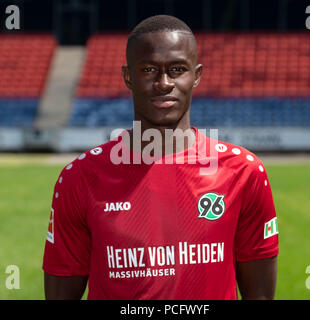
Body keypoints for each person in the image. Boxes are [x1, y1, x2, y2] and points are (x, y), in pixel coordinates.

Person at [42, 15, 278, 300]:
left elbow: (261, 296)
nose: (164, 83)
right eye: (149, 69)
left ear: (197, 75)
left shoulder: (244, 173)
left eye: (177, 69)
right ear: (128, 76)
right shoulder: (80, 177)